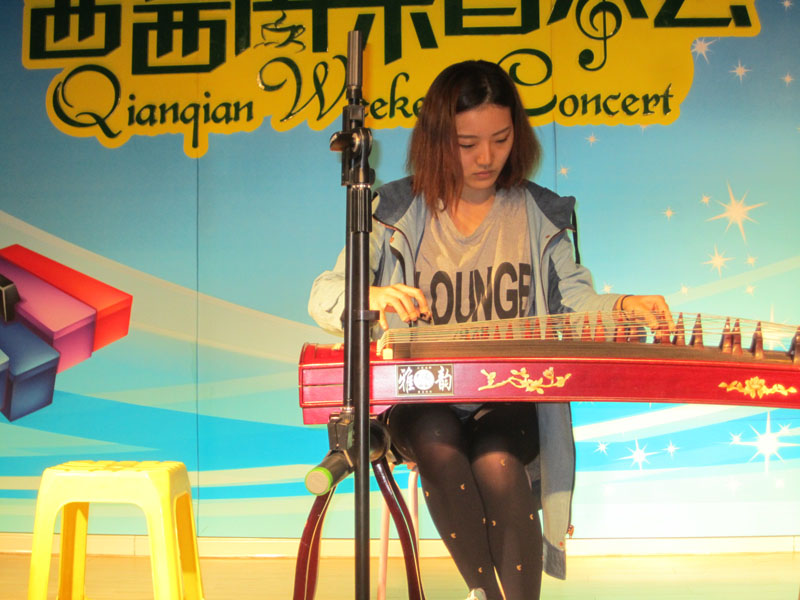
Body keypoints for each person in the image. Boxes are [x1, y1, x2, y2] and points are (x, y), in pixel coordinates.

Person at [308, 60, 671, 600]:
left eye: (501, 139)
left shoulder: (538, 214)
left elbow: (574, 303)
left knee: (498, 462)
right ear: (437, 140)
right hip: (422, 400)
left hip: (508, 397)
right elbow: (324, 293)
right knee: (437, 439)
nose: (486, 158)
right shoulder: (394, 211)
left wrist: (622, 306)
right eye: (467, 143)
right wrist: (371, 295)